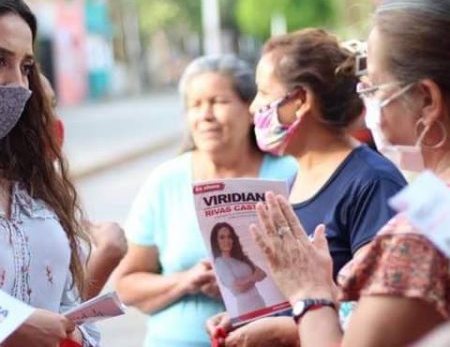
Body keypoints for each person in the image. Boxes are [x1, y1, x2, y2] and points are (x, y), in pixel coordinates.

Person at [250, 0, 450, 347]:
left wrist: (308, 293)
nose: (369, 107)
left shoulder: (422, 234)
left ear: (426, 99)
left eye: (374, 88)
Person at [206, 28, 407, 346]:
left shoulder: (372, 184)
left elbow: (377, 312)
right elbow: (291, 293)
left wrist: (286, 332)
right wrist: (250, 316)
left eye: (264, 93)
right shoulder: (290, 181)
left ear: (300, 100)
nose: (253, 107)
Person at [113, 54, 298, 347]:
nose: (206, 115)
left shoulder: (288, 173)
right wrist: (187, 281)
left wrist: (246, 281)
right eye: (195, 105)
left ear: (249, 107)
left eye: (219, 101)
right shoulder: (166, 180)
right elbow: (126, 285)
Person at [0, 0, 99, 346]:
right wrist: (12, 325)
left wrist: (76, 333)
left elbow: (68, 302)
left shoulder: (33, 184)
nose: (17, 83)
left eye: (25, 66)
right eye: (0, 61)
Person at [40, 72, 128, 300]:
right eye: (39, 108)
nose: (53, 120)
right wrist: (107, 255)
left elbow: (63, 304)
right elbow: (50, 316)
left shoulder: (45, 193)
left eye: (52, 105)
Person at [211, 222, 266, 315]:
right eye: (222, 237)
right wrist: (253, 278)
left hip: (259, 302)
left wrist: (243, 282)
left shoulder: (241, 258)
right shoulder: (219, 263)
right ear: (216, 241)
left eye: (229, 236)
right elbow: (238, 289)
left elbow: (263, 274)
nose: (227, 240)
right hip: (246, 308)